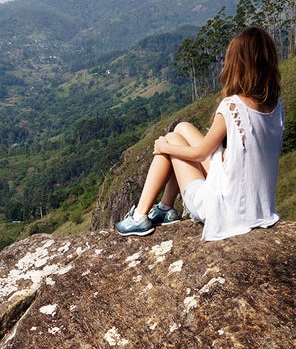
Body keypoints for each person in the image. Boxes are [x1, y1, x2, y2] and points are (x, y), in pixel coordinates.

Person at [116, 26, 284, 241]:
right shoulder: (276, 106)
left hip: (225, 208)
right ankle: (165, 208)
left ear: (237, 64)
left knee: (171, 139)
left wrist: (163, 148)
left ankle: (140, 217)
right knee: (182, 127)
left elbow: (200, 154)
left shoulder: (232, 106)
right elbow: (251, 152)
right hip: (258, 207)